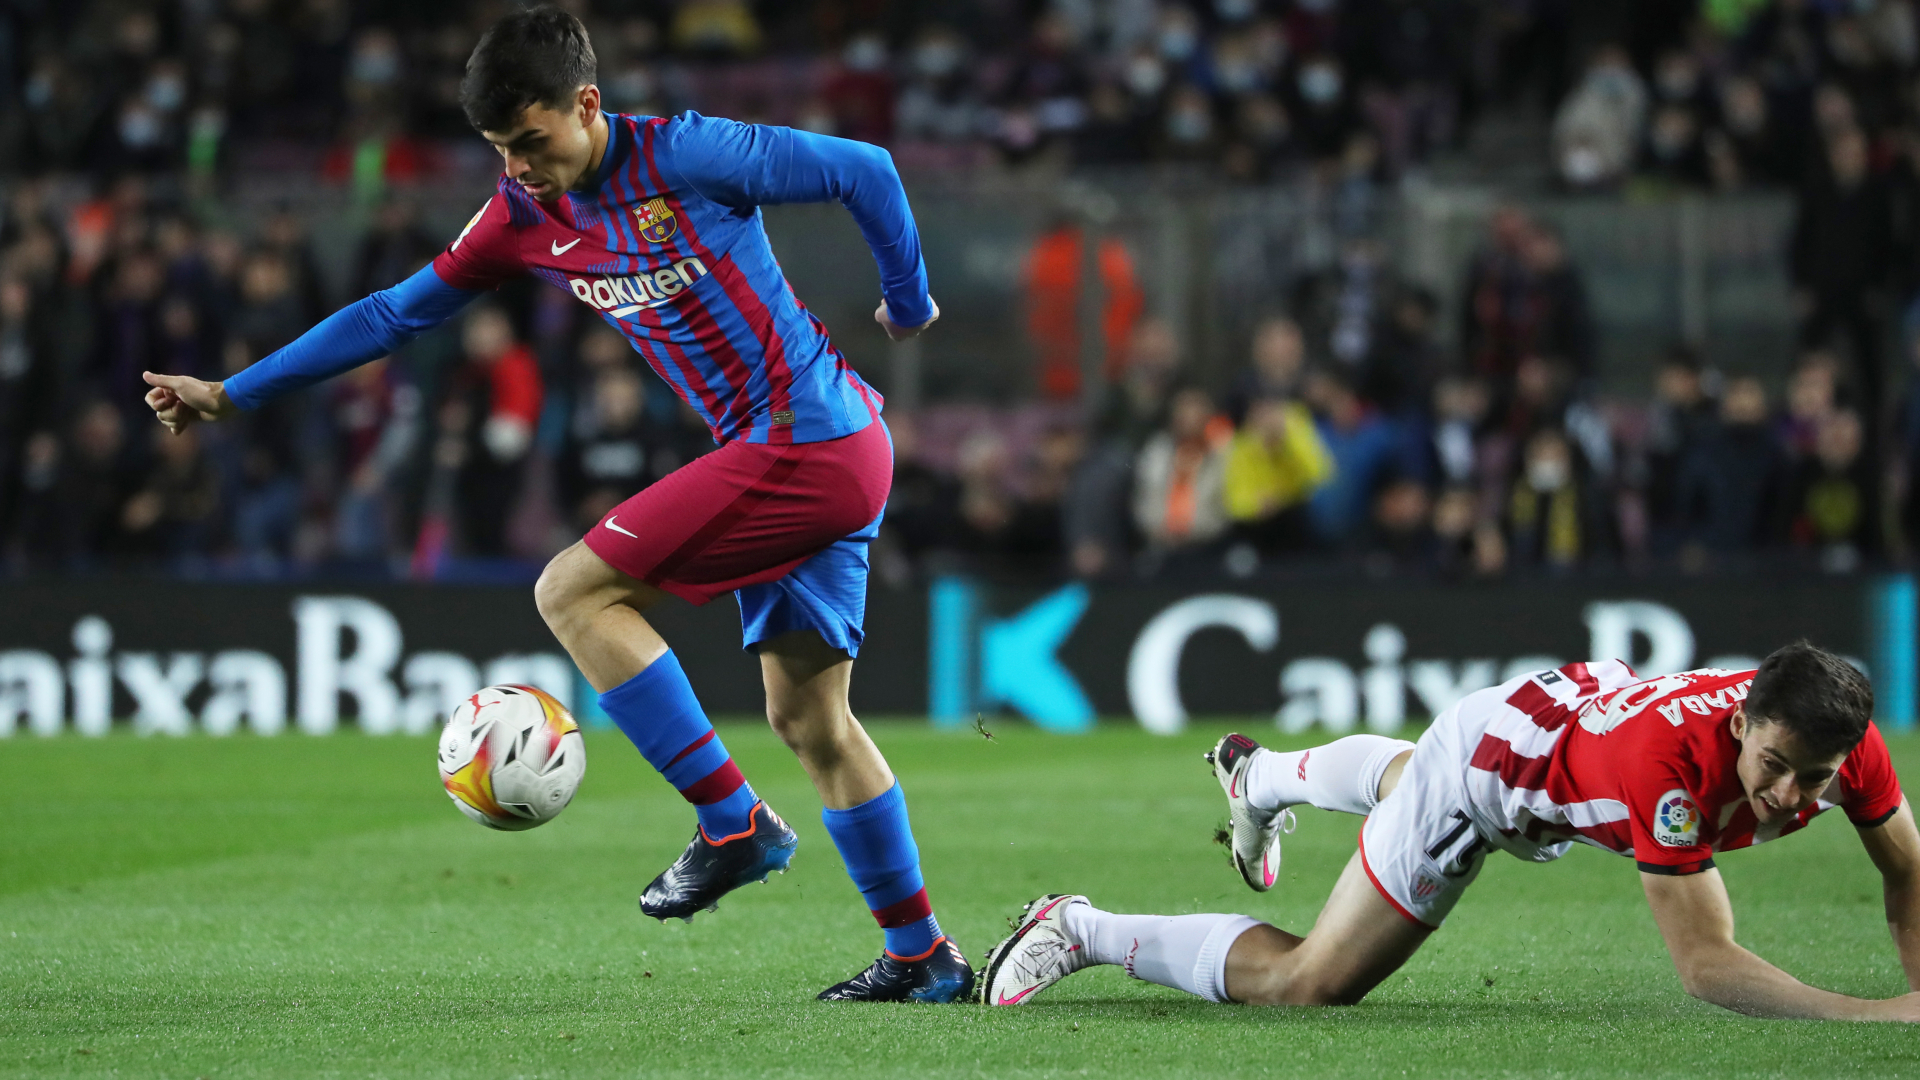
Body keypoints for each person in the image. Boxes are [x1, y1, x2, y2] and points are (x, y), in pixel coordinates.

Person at [138, 6, 969, 1004]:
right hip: (802, 450)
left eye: (530, 141)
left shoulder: (689, 155)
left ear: (586, 103)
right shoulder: (520, 217)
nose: (518, 167)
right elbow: (394, 312)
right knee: (812, 724)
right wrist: (234, 394)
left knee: (572, 592)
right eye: (499, 148)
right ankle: (922, 956)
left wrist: (908, 298)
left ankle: (732, 825)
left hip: (809, 442)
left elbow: (866, 169)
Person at [980, 642, 1920, 1020]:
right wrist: (1874, 1016)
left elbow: (1908, 872)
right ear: (1740, 723)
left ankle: (1257, 776)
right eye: (1773, 766)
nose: (1790, 795)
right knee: (1311, 985)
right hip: (1488, 777)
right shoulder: (1668, 775)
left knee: (1410, 772)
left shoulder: (1844, 743)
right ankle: (1080, 928)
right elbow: (1705, 963)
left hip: (1553, 713)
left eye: (1815, 779)